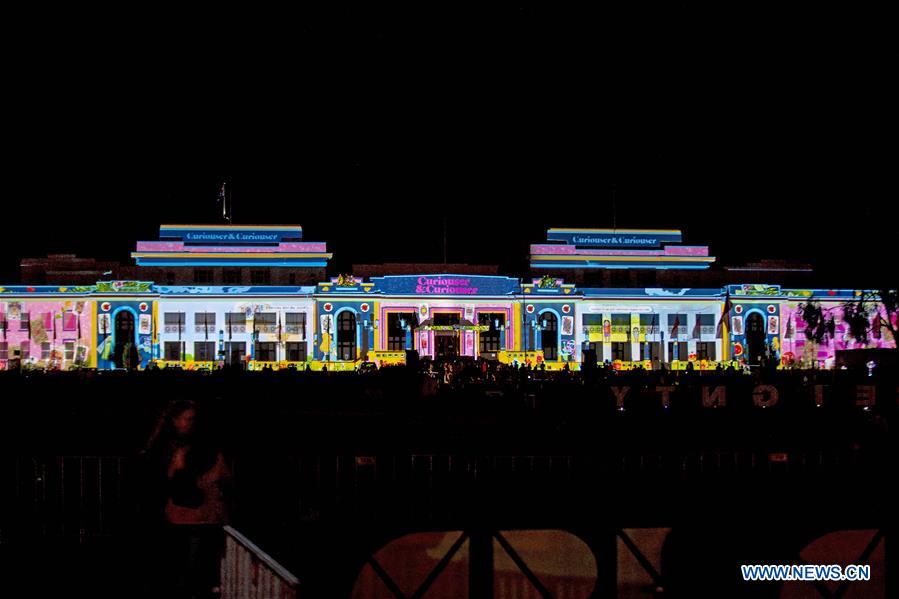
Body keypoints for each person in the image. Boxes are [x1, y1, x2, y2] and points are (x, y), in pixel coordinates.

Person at [140, 400, 231, 599]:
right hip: (189, 516)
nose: (191, 423)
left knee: (188, 567)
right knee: (191, 568)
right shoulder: (175, 448)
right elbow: (181, 485)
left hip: (186, 515)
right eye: (188, 419)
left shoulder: (172, 446)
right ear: (175, 420)